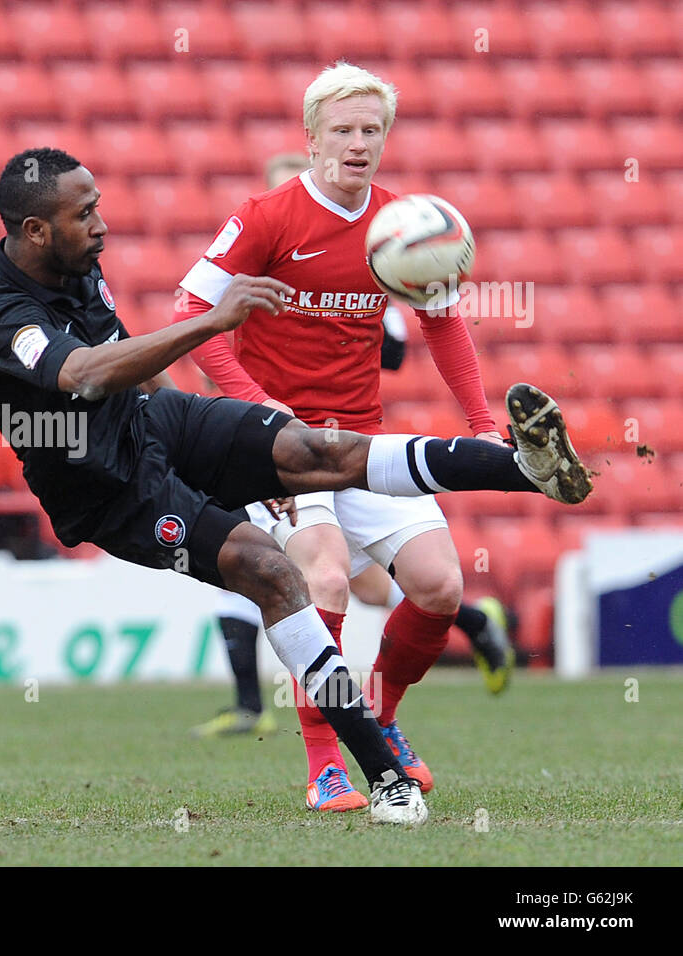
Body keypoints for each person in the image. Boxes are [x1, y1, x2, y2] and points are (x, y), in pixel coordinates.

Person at [0, 146, 590, 825]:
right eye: (85, 215)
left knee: (316, 448)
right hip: (109, 489)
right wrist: (210, 322)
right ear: (35, 230)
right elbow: (84, 371)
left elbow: (127, 356)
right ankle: (382, 775)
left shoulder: (76, 261)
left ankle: (524, 469)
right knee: (270, 572)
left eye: (100, 207)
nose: (101, 225)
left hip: (156, 422)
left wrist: (214, 454)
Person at [173, 62, 523, 813]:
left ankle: (381, 718)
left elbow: (444, 326)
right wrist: (259, 412)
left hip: (361, 445)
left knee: (440, 587)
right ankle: (325, 762)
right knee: (325, 580)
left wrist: (484, 427)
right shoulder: (267, 216)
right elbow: (192, 316)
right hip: (277, 453)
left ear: (386, 138)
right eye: (343, 130)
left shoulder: (405, 227)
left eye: (371, 130)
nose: (357, 144)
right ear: (312, 138)